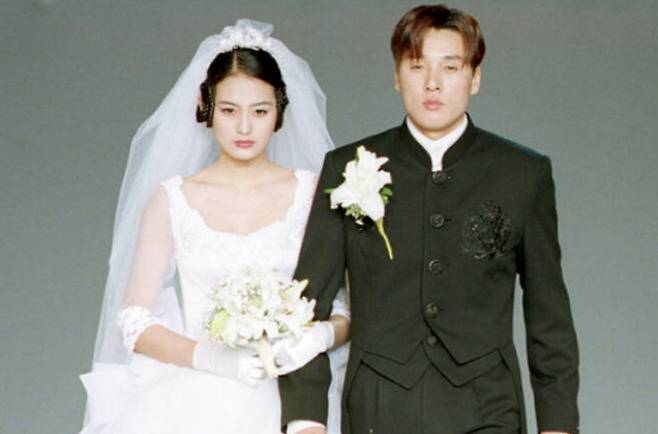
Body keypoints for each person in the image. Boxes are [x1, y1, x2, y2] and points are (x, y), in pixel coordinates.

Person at [280, 5, 579, 434]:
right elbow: (305, 305)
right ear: (397, 76)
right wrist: (305, 419)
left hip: (487, 405)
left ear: (475, 77)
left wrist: (558, 425)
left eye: (450, 67)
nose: (432, 83)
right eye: (417, 66)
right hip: (378, 404)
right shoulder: (346, 168)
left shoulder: (522, 173)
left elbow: (549, 315)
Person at [80, 20, 349, 434]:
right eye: (229, 110)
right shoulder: (173, 199)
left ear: (279, 110)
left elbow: (347, 308)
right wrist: (210, 358)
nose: (244, 127)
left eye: (260, 111)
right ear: (205, 107)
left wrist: (318, 337)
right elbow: (134, 320)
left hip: (295, 395)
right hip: (195, 397)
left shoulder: (311, 193)